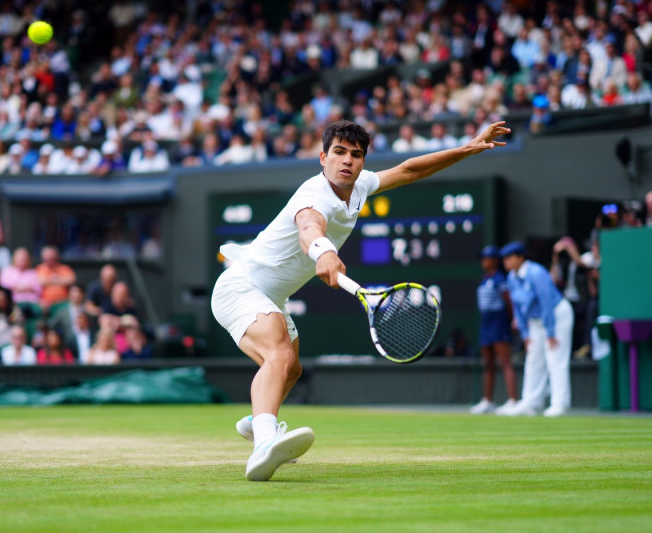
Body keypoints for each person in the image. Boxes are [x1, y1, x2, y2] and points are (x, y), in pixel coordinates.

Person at [211, 119, 511, 481]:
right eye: (338, 153)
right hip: (241, 286)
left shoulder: (361, 185)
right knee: (280, 355)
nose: (347, 161)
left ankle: (256, 420)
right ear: (322, 158)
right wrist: (323, 252)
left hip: (273, 294)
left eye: (355, 155)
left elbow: (409, 169)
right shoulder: (313, 196)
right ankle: (263, 444)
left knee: (291, 369)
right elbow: (310, 227)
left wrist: (467, 147)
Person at [499, 241, 573, 418]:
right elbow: (517, 307)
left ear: (520, 257)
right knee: (533, 360)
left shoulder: (536, 273)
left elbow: (546, 302)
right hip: (535, 321)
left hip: (556, 316)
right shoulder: (511, 277)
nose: (506, 262)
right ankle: (531, 403)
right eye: (504, 258)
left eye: (509, 258)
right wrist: (525, 333)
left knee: (555, 359)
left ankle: (559, 404)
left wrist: (551, 332)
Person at [470, 245, 518, 415]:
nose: (484, 261)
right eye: (483, 258)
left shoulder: (500, 279)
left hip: (499, 321)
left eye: (487, 258)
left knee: (504, 361)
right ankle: (488, 401)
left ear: (495, 260)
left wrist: (512, 321)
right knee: (488, 363)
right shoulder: (484, 279)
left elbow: (509, 302)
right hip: (486, 322)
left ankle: (513, 400)